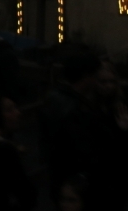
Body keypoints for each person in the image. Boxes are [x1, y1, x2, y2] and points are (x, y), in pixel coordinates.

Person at [40, 53, 103, 189]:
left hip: (59, 173)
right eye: (96, 75)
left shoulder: (54, 98)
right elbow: (82, 148)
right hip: (74, 178)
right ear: (87, 76)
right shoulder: (75, 108)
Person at [90, 61, 128, 211]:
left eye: (111, 81)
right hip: (97, 173)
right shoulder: (90, 107)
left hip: (117, 175)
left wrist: (125, 131)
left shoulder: (122, 106)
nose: (107, 86)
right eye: (103, 81)